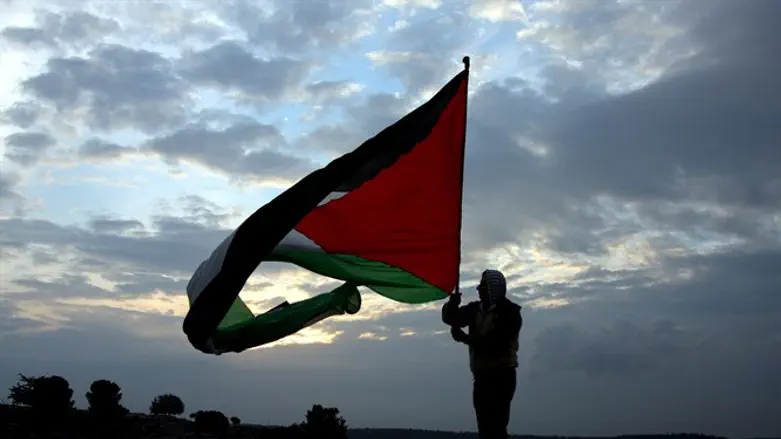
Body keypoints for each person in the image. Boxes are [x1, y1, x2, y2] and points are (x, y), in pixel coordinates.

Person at [442, 269, 523, 439]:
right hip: (481, 377)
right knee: (485, 428)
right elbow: (451, 318)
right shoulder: (475, 309)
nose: (478, 289)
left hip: (502, 378)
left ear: (494, 288)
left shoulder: (510, 314)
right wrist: (452, 305)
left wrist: (466, 339)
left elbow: (495, 346)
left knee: (496, 427)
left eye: (482, 286)